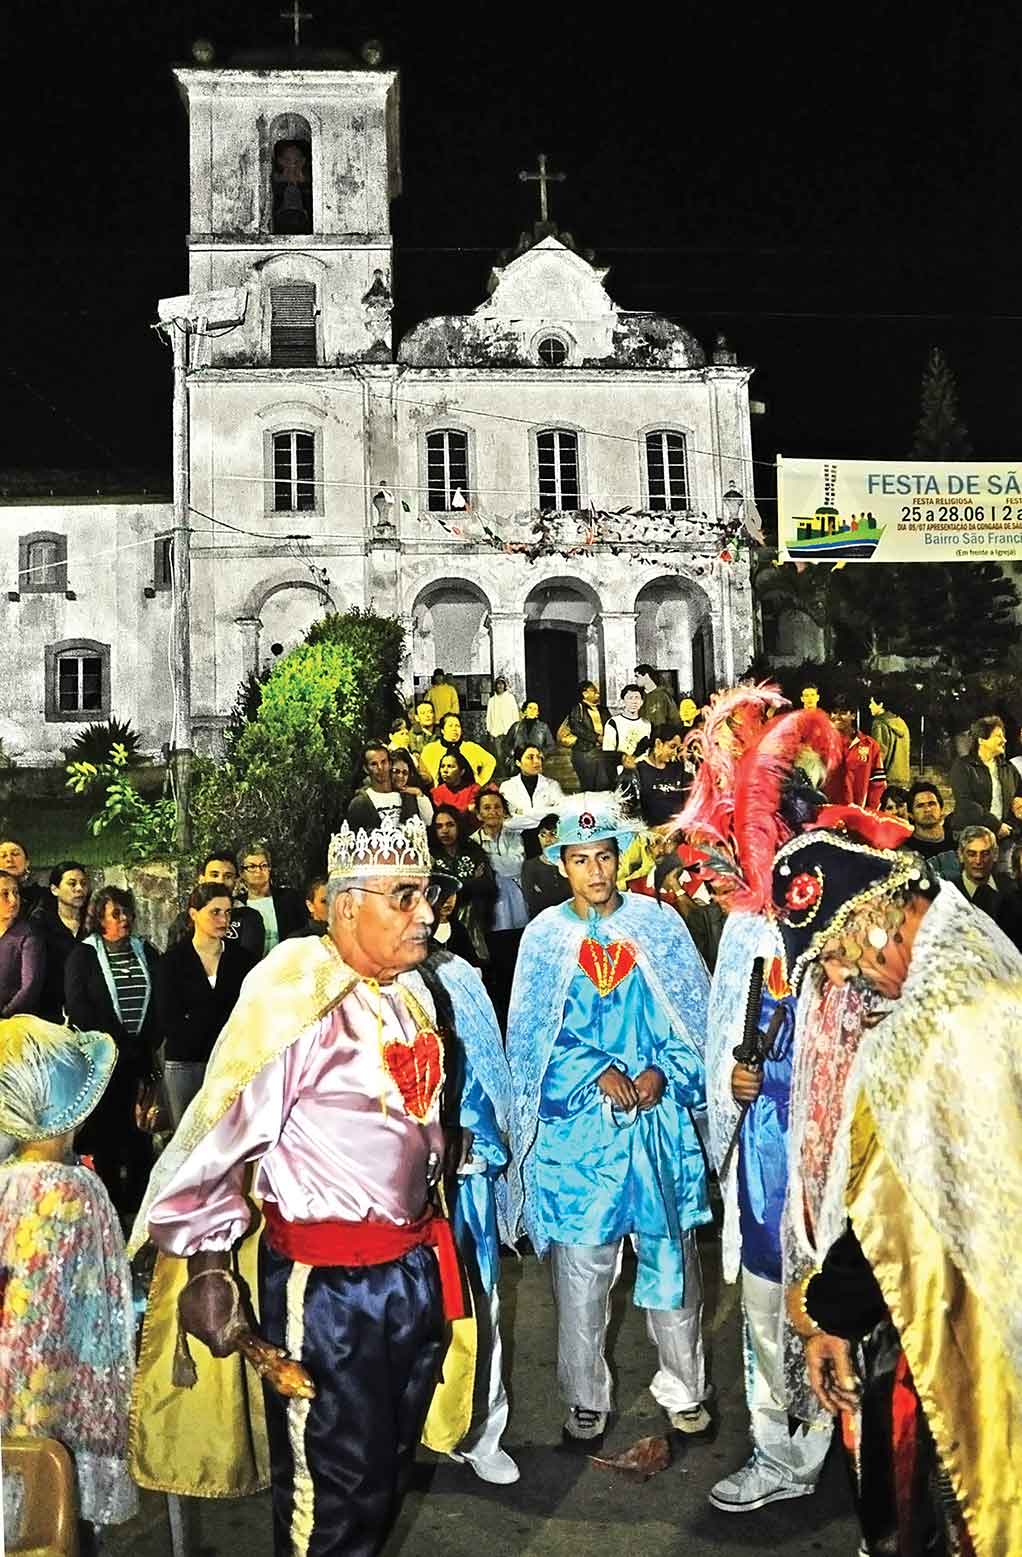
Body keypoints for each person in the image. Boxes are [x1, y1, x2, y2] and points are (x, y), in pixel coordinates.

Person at [129, 815, 489, 1555]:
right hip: (328, 1295)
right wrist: (208, 1262)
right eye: (405, 895)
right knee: (328, 1503)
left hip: (413, 1272)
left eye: (428, 893)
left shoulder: (411, 993)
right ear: (346, 903)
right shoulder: (294, 992)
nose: (426, 913)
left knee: (384, 1478)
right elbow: (221, 1130)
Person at [772, 828, 1022, 1557]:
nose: (846, 979)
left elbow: (896, 1202)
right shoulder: (981, 966)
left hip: (963, 1339)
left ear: (877, 916)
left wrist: (824, 1309)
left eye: (842, 955)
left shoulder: (928, 1028)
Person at [506, 796, 712, 1447]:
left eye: (603, 856)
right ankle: (585, 1397)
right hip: (582, 1137)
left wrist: (662, 1072)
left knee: (670, 1269)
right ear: (561, 863)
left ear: (618, 857)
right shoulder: (543, 938)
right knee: (583, 1275)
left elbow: (693, 1020)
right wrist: (596, 1071)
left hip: (655, 1130)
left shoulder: (659, 924)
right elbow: (533, 1042)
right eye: (579, 859)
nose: (595, 870)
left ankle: (685, 1386)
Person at [0, 1018, 139, 1542]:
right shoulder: (76, 1191)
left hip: (8, 1382)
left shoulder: (6, 1180)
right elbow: (102, 1299)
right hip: (58, 1383)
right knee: (57, 1511)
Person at [64, 885, 162, 1213]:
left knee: (140, 1135)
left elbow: (161, 999)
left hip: (140, 1057)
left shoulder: (145, 951)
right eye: (116, 914)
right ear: (99, 919)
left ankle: (138, 1203)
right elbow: (80, 1007)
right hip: (106, 1061)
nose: (125, 920)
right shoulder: (84, 955)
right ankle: (110, 1204)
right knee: (108, 1133)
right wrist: (118, 1043)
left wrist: (145, 1044)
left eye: (127, 913)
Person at [157, 882, 259, 1128]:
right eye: (215, 912)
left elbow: (252, 1010)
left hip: (231, 1063)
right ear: (194, 914)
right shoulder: (171, 961)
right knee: (187, 1140)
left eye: (228, 912)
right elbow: (168, 1018)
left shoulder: (242, 959)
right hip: (186, 1065)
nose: (223, 919)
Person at [471, 788, 530, 1026]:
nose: (492, 812)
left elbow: (515, 867)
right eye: (486, 807)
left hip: (519, 912)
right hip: (492, 915)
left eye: (497, 807)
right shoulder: (473, 842)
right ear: (478, 814)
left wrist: (488, 863)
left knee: (520, 967)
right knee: (498, 971)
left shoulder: (515, 836)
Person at [428, 805, 497, 966]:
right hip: (441, 927)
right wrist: (469, 884)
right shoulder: (430, 856)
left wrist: (453, 887)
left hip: (476, 924)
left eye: (450, 825)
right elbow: (432, 891)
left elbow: (488, 886)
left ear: (458, 825)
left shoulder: (473, 851)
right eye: (439, 826)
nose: (445, 830)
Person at [168, 850, 266, 959]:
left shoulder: (249, 917)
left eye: (228, 876)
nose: (220, 881)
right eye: (214, 875)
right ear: (202, 879)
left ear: (236, 881)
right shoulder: (184, 919)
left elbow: (249, 963)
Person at [949, 714, 1022, 857]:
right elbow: (966, 802)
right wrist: (995, 825)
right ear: (982, 739)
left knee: (1005, 877)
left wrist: (1012, 821)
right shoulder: (963, 766)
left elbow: (1017, 797)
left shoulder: (1009, 769)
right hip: (971, 838)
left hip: (1004, 839)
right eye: (998, 736)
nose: (1004, 740)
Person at [30, 859, 90, 1023]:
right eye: (72, 884)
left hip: (90, 1011)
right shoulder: (41, 926)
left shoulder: (93, 925)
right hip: (51, 1013)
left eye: (83, 883)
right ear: (54, 889)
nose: (79, 889)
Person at [238, 841, 307, 953]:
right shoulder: (237, 906)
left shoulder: (290, 898)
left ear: (269, 869)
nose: (258, 871)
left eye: (263, 865)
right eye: (252, 866)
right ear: (242, 873)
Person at [824, 695, 886, 810]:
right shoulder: (822, 744)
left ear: (853, 715)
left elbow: (877, 783)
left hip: (858, 814)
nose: (836, 717)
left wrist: (871, 811)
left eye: (842, 712)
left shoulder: (870, 745)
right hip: (828, 812)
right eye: (834, 712)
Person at [0, 870, 46, 1017]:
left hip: (14, 1022)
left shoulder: (29, 935)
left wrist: (5, 1015)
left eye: (16, 893)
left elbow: (30, 987)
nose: (13, 900)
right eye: (4, 894)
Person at [631, 723, 689, 826]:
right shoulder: (638, 771)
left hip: (678, 829)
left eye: (677, 749)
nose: (675, 753)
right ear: (658, 743)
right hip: (652, 833)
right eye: (672, 746)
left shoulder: (679, 768)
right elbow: (633, 811)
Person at [420, 713, 496, 788]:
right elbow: (423, 772)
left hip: (468, 793)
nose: (454, 729)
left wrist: (480, 783)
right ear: (442, 730)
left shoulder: (470, 747)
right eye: (450, 726)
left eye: (457, 726)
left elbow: (491, 762)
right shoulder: (430, 749)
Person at [519, 814, 572, 918]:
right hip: (542, 921)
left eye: (553, 834)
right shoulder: (530, 865)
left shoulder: (571, 863)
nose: (547, 840)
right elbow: (532, 901)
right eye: (543, 834)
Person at [948, 823, 1003, 918]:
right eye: (971, 854)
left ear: (995, 854)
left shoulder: (1012, 889)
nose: (978, 861)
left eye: (985, 854)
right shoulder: (946, 894)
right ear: (960, 855)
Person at [565, 681, 612, 791]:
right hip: (584, 752)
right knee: (589, 787)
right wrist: (597, 737)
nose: (598, 693)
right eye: (594, 691)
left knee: (603, 785)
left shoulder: (603, 710)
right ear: (585, 694)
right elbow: (576, 728)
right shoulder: (578, 708)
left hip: (603, 752)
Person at [499, 744, 565, 820]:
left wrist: (522, 812)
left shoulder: (552, 785)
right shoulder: (507, 787)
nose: (536, 761)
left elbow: (560, 812)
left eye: (538, 757)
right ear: (518, 763)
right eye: (530, 757)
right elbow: (506, 816)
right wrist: (544, 812)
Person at [602, 684, 651, 778]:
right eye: (630, 698)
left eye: (637, 698)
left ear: (642, 702)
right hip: (620, 771)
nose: (634, 702)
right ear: (622, 701)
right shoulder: (613, 722)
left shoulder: (647, 724)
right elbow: (608, 752)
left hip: (643, 771)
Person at [904, 780, 956, 864]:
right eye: (920, 806)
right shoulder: (906, 849)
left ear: (941, 809)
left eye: (931, 804)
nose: (927, 809)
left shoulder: (956, 841)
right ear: (911, 814)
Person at [868, 696, 911, 787]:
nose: (869, 706)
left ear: (881, 705)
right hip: (903, 777)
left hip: (886, 779)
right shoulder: (901, 722)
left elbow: (878, 753)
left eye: (872, 703)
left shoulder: (879, 723)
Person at [0, 836, 46, 919]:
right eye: (3, 856)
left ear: (27, 862)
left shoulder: (42, 896)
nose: (9, 859)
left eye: (15, 854)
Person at [485, 677, 520, 779]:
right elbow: (489, 716)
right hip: (496, 732)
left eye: (502, 684)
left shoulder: (510, 698)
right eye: (498, 684)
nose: (499, 686)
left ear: (505, 686)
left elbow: (515, 714)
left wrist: (516, 730)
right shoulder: (492, 700)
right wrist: (490, 731)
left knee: (510, 754)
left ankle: (512, 775)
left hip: (509, 732)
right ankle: (503, 776)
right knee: (499, 756)